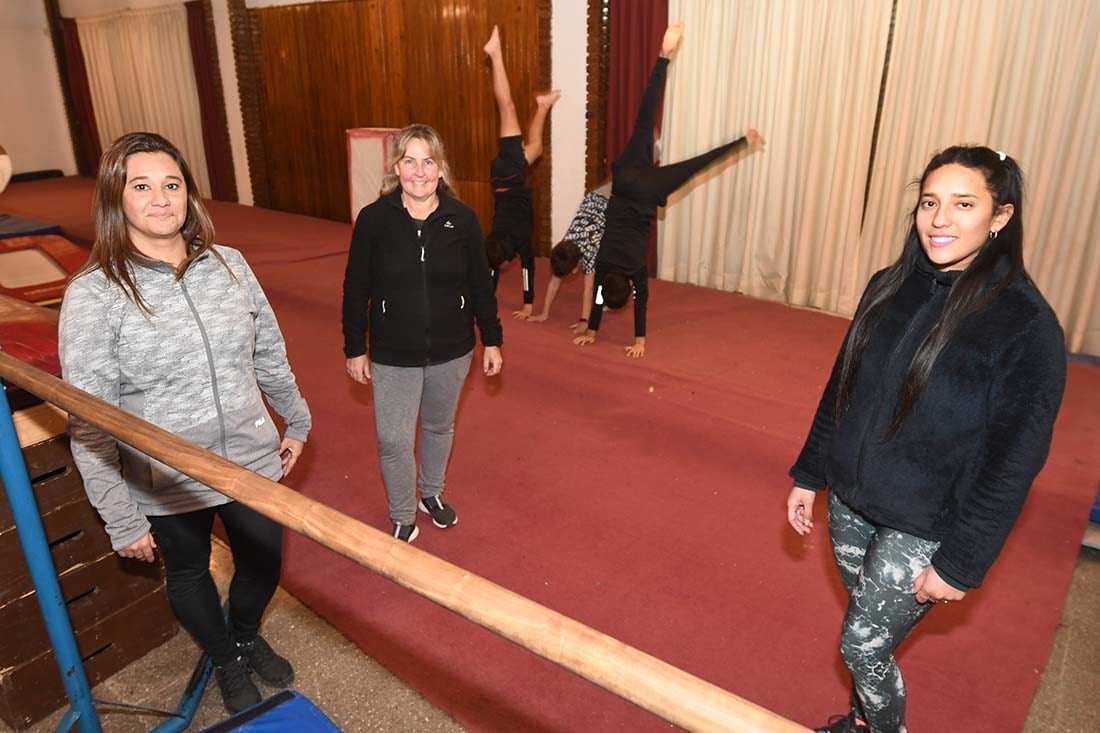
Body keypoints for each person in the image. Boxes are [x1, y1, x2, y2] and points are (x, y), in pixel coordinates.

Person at [785, 146, 1066, 733]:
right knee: (869, 630)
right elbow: (842, 385)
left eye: (964, 204)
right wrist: (811, 474)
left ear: (1000, 218)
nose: (940, 219)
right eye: (929, 203)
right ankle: (861, 724)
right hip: (851, 501)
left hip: (928, 523)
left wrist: (961, 562)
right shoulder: (887, 286)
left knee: (861, 645)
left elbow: (1013, 460)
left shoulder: (1025, 323)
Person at [58, 132, 312, 714]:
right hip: (164, 476)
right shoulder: (94, 296)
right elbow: (90, 420)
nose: (160, 198)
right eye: (140, 186)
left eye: (171, 184)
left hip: (248, 457)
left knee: (264, 563)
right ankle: (224, 656)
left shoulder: (230, 265)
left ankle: (246, 633)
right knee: (191, 572)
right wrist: (119, 516)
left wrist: (294, 419)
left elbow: (267, 350)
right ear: (115, 200)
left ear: (189, 195)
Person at [342, 124, 503, 544]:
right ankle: (401, 513)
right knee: (393, 438)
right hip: (394, 353)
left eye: (427, 161)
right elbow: (356, 286)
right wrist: (355, 347)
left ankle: (430, 493)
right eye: (409, 160)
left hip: (453, 351)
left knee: (437, 427)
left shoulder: (462, 220)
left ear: (440, 168)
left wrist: (492, 339)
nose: (419, 171)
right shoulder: (374, 220)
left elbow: (480, 286)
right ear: (397, 167)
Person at [572, 22, 764, 357]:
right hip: (626, 180)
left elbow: (636, 303)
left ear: (629, 287)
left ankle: (744, 141)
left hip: (647, 191)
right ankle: (663, 57)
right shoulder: (603, 265)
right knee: (644, 120)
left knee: (695, 166)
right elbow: (600, 295)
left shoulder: (634, 270)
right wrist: (594, 325)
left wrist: (636, 340)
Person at [482, 24, 560, 319]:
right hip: (502, 177)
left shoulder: (519, 240)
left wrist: (529, 304)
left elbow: (528, 267)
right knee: (537, 147)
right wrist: (487, 301)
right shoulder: (493, 240)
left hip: (512, 175)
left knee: (508, 108)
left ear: (504, 261)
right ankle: (543, 106)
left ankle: (495, 55)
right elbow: (490, 271)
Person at [526, 179, 611, 333]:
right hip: (593, 198)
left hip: (612, 201)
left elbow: (589, 288)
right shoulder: (565, 246)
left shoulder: (589, 251)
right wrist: (544, 313)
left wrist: (584, 321)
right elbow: (554, 281)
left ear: (573, 270)